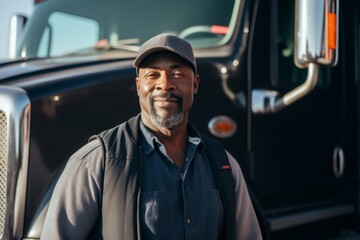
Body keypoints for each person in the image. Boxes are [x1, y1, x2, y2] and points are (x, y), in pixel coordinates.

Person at [40, 33, 262, 240]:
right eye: (152, 75)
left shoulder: (224, 165)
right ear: (139, 86)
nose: (164, 85)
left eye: (177, 74)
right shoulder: (96, 162)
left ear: (194, 84)